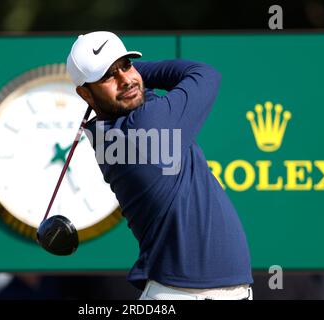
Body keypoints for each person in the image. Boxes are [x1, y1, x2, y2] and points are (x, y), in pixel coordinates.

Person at [66, 31, 253, 300]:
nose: (125, 80)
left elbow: (136, 94)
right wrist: (139, 73)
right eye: (108, 75)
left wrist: (122, 78)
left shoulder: (109, 130)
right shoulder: (148, 123)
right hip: (182, 295)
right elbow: (203, 74)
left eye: (126, 65)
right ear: (85, 94)